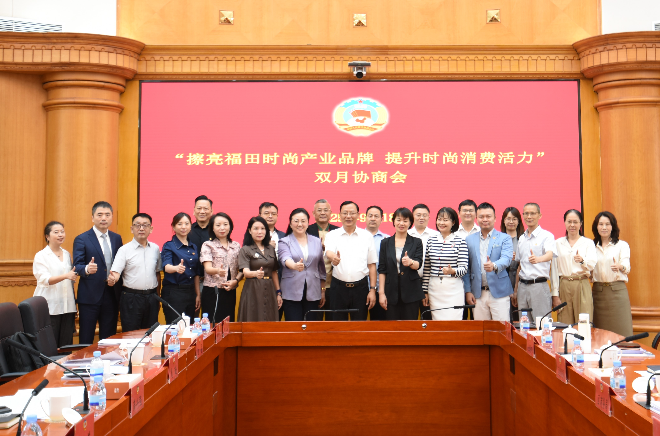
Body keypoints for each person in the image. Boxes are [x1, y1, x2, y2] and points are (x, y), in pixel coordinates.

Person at [73, 201, 123, 343]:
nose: (103, 218)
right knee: (86, 337)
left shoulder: (116, 238)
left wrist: (116, 277)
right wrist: (87, 269)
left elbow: (119, 263)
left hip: (111, 294)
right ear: (92, 217)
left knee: (109, 339)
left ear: (112, 217)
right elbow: (77, 266)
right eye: (99, 215)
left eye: (107, 215)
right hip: (89, 295)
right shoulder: (82, 239)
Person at [108, 213, 162, 333]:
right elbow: (116, 272)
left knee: (151, 334)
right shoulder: (124, 250)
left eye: (145, 225)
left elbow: (157, 273)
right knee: (131, 334)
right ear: (132, 229)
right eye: (137, 225)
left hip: (152, 298)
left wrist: (157, 297)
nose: (141, 228)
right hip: (131, 298)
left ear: (151, 229)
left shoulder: (155, 249)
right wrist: (113, 278)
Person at [324, 201, 378, 321]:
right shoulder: (332, 235)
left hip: (361, 288)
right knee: (338, 326)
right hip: (338, 288)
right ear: (340, 215)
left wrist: (372, 290)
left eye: (352, 213)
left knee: (359, 326)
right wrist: (333, 257)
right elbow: (328, 252)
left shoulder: (367, 236)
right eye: (345, 213)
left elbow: (372, 265)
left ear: (358, 215)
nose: (348, 216)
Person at [464, 203, 513, 321]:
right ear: (477, 218)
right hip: (478, 293)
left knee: (501, 328)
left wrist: (494, 265)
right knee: (482, 329)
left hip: (499, 292)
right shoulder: (469, 239)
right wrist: (468, 291)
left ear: (495, 218)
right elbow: (467, 267)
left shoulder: (505, 238)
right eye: (481, 217)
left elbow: (506, 259)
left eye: (488, 216)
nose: (485, 219)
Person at [33, 221, 77, 347]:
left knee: (66, 345)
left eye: (62, 231)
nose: (60, 235)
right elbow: (44, 279)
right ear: (47, 236)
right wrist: (66, 276)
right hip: (50, 306)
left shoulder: (67, 254)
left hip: (67, 305)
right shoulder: (41, 255)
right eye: (56, 232)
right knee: (50, 345)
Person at [511, 203, 557, 324]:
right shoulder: (522, 238)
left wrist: (538, 259)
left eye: (532, 213)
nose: (529, 216)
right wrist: (515, 291)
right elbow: (520, 266)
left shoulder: (547, 236)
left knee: (542, 324)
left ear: (540, 215)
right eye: (526, 213)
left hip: (539, 286)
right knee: (524, 324)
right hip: (522, 286)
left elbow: (550, 254)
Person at [278, 208, 326, 321]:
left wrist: (322, 290)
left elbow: (321, 269)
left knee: (311, 326)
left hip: (313, 291)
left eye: (303, 221)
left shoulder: (317, 241)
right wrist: (294, 266)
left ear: (308, 223)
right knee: (294, 326)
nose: (300, 224)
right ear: (290, 224)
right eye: (296, 221)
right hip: (291, 291)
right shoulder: (284, 241)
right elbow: (285, 258)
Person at [422, 207, 468, 320]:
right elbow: (427, 268)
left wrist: (453, 271)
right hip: (434, 288)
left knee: (454, 322)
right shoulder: (431, 240)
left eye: (445, 220)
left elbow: (464, 268)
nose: (441, 223)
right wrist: (425, 291)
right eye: (439, 219)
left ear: (453, 222)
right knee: (437, 323)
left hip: (453, 288)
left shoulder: (460, 241)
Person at [378, 208, 424, 320]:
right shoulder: (385, 243)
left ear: (410, 223)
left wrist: (410, 262)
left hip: (411, 291)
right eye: (398, 220)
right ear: (393, 221)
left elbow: (418, 264)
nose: (401, 223)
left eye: (405, 220)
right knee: (392, 326)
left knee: (410, 326)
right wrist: (381, 293)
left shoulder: (416, 242)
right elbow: (382, 270)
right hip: (390, 291)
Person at [591, 211, 632, 336]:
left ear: (613, 226)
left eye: (607, 224)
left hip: (617, 292)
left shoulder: (621, 245)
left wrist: (620, 266)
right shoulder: (591, 246)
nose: (604, 227)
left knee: (622, 332)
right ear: (596, 227)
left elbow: (627, 266)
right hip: (598, 293)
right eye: (601, 224)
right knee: (599, 334)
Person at [554, 209, 597, 325]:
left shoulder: (588, 243)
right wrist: (555, 294)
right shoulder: (557, 243)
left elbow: (592, 264)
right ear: (564, 223)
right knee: (564, 322)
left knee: (584, 322)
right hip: (564, 284)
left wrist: (582, 261)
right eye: (569, 222)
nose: (572, 225)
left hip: (581, 283)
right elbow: (554, 270)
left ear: (581, 223)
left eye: (575, 222)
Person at [160, 212, 203, 324]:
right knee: (175, 327)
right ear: (173, 227)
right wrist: (176, 268)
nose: (183, 227)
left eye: (186, 223)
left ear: (190, 226)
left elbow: (196, 274)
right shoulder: (169, 245)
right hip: (174, 292)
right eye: (180, 224)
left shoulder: (194, 246)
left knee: (190, 327)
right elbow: (166, 267)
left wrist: (198, 295)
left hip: (191, 292)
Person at [200, 213, 243, 323]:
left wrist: (235, 281)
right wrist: (217, 271)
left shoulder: (236, 246)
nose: (222, 228)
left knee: (229, 323)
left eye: (225, 224)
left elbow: (242, 269)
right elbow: (208, 268)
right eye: (218, 225)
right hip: (212, 291)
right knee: (211, 324)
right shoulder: (208, 245)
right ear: (212, 228)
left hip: (230, 290)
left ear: (230, 226)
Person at [237, 216, 281, 322]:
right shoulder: (245, 250)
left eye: (262, 228)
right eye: (256, 228)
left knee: (270, 319)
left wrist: (278, 292)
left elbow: (274, 272)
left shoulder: (271, 249)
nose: (259, 232)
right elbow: (245, 272)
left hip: (270, 289)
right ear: (250, 231)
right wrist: (255, 273)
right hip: (252, 289)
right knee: (252, 318)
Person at [307, 199, 339, 320]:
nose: (322, 213)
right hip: (313, 284)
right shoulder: (306, 231)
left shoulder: (338, 231)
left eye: (326, 210)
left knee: (333, 320)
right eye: (319, 210)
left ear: (331, 213)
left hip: (334, 284)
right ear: (313, 213)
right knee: (315, 320)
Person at [408, 204, 439, 320]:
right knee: (410, 317)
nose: (421, 217)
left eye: (424, 215)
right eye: (418, 215)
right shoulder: (406, 234)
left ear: (429, 217)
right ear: (412, 216)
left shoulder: (436, 235)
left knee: (429, 318)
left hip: (431, 283)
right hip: (410, 283)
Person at [455, 199, 480, 320]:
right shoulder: (453, 233)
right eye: (465, 210)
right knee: (461, 319)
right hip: (458, 282)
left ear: (476, 213)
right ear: (459, 213)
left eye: (471, 210)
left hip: (479, 282)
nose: (468, 213)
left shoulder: (482, 231)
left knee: (479, 319)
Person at [365, 205, 390, 321]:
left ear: (382, 219)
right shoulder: (357, 237)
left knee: (379, 323)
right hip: (360, 287)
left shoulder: (387, 239)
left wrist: (381, 291)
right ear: (365, 218)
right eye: (370, 216)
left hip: (380, 288)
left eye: (376, 216)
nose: (373, 219)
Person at [501, 207, 524, 320]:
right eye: (508, 219)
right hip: (503, 276)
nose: (511, 222)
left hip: (519, 276)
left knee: (519, 313)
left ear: (519, 221)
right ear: (503, 221)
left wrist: (518, 257)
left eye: (514, 219)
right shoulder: (498, 238)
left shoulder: (523, 238)